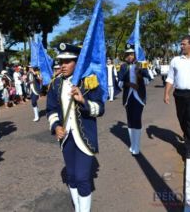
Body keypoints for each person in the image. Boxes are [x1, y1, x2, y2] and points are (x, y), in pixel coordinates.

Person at [46, 44, 105, 211]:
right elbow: (51, 109)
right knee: (71, 176)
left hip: (85, 137)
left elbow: (100, 109)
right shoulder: (55, 84)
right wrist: (56, 126)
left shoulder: (89, 81)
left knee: (82, 178)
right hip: (66, 138)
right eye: (60, 61)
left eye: (67, 61)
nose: (62, 65)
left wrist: (83, 101)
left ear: (77, 62)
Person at [118, 44, 151, 156]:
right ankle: (132, 144)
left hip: (139, 97)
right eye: (127, 54)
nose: (129, 56)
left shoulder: (142, 65)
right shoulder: (123, 66)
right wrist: (130, 84)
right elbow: (120, 83)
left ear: (135, 54)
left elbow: (147, 81)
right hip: (128, 97)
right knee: (130, 120)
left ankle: (137, 145)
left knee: (137, 119)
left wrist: (139, 74)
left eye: (131, 54)